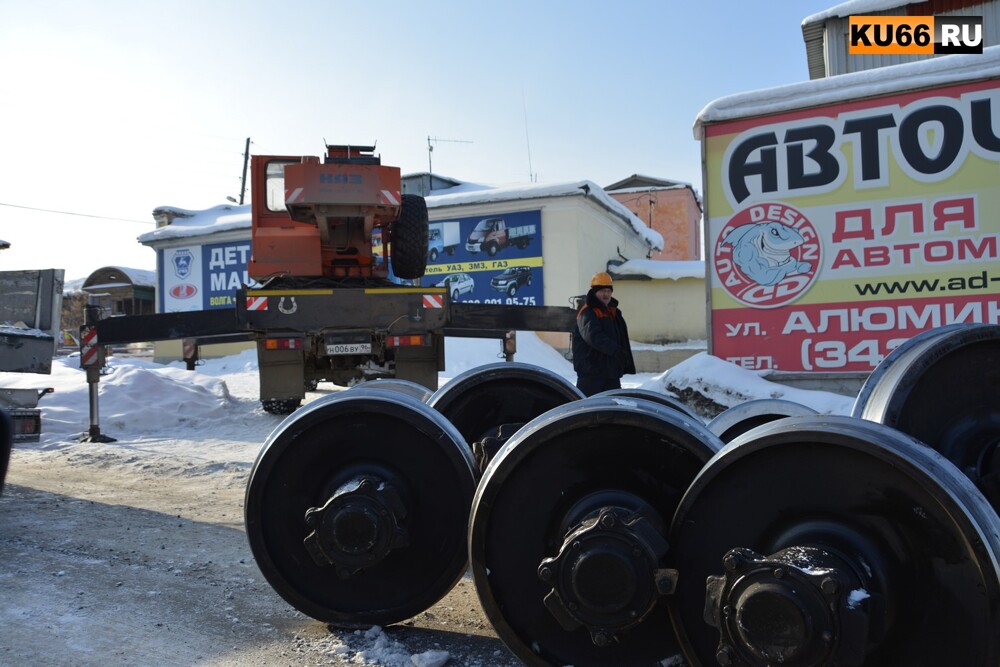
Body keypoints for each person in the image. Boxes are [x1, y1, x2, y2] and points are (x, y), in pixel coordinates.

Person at [572, 272, 636, 396]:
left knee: (612, 408)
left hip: (610, 372)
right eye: (602, 291)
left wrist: (623, 357)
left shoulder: (613, 312)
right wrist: (616, 351)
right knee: (585, 409)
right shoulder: (587, 312)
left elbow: (621, 337)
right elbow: (593, 336)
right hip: (591, 373)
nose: (606, 294)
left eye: (608, 291)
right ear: (595, 292)